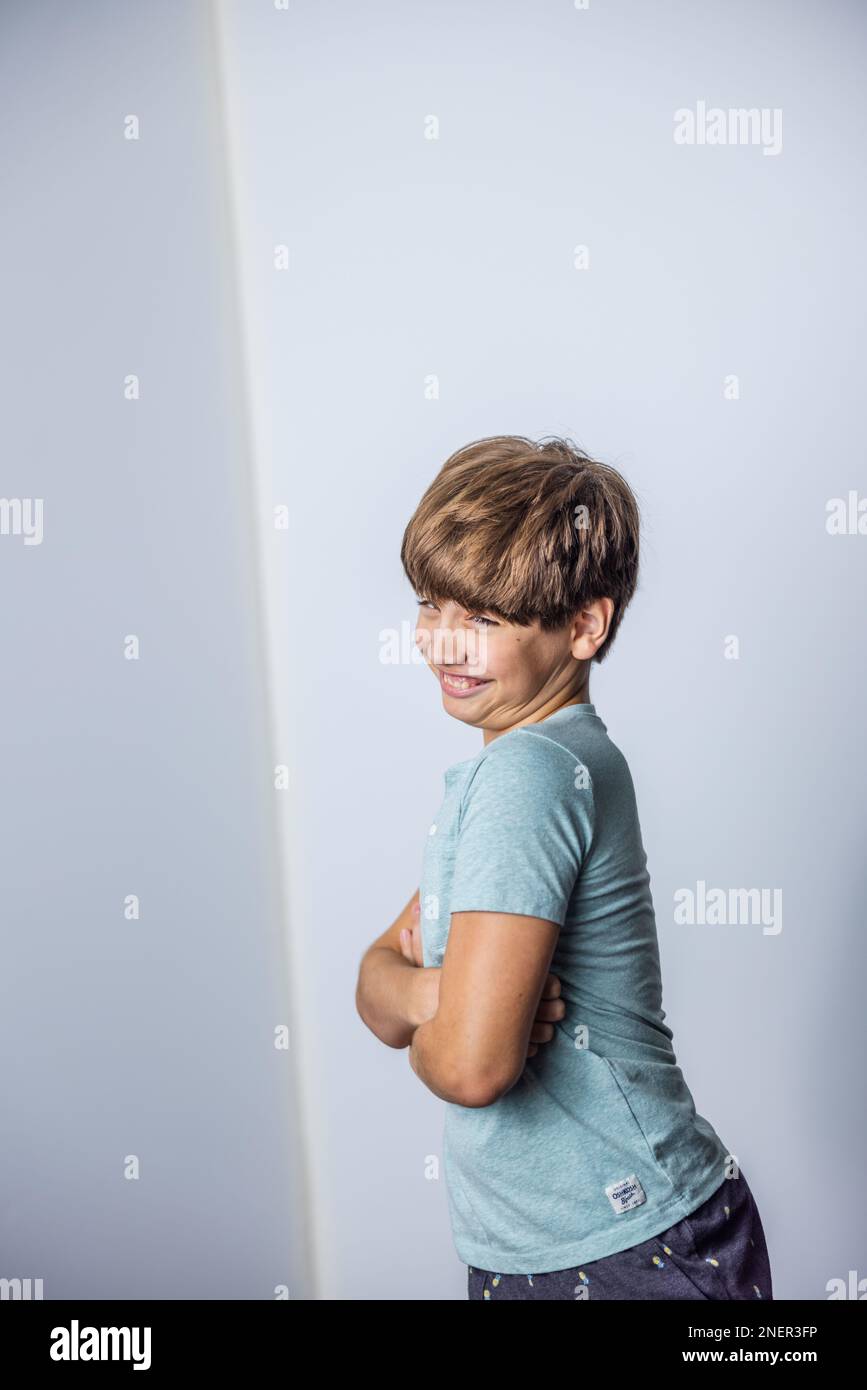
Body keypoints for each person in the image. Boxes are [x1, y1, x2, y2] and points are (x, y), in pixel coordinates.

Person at [355, 434, 773, 1300]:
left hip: (624, 1247)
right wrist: (438, 995)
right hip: (569, 1244)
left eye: (484, 619)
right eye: (431, 605)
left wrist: (438, 1016)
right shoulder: (524, 765)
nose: (443, 644)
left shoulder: (530, 775)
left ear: (585, 624)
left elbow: (471, 1068)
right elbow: (376, 978)